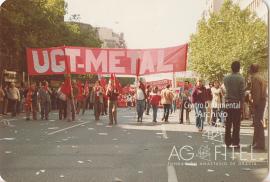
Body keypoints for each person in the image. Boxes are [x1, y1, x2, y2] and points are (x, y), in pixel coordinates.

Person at [223, 61, 245, 148]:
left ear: (231, 68)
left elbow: (226, 90)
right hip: (236, 103)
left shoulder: (226, 78)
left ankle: (227, 142)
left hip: (228, 103)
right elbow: (241, 93)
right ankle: (235, 142)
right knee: (236, 124)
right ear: (239, 68)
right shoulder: (241, 79)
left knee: (228, 123)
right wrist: (242, 105)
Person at [250, 64, 267, 150]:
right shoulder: (261, 77)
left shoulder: (255, 78)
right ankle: (256, 142)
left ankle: (259, 144)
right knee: (258, 122)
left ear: (251, 69)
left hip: (259, 102)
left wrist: (254, 104)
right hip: (262, 101)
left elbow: (256, 93)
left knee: (258, 123)